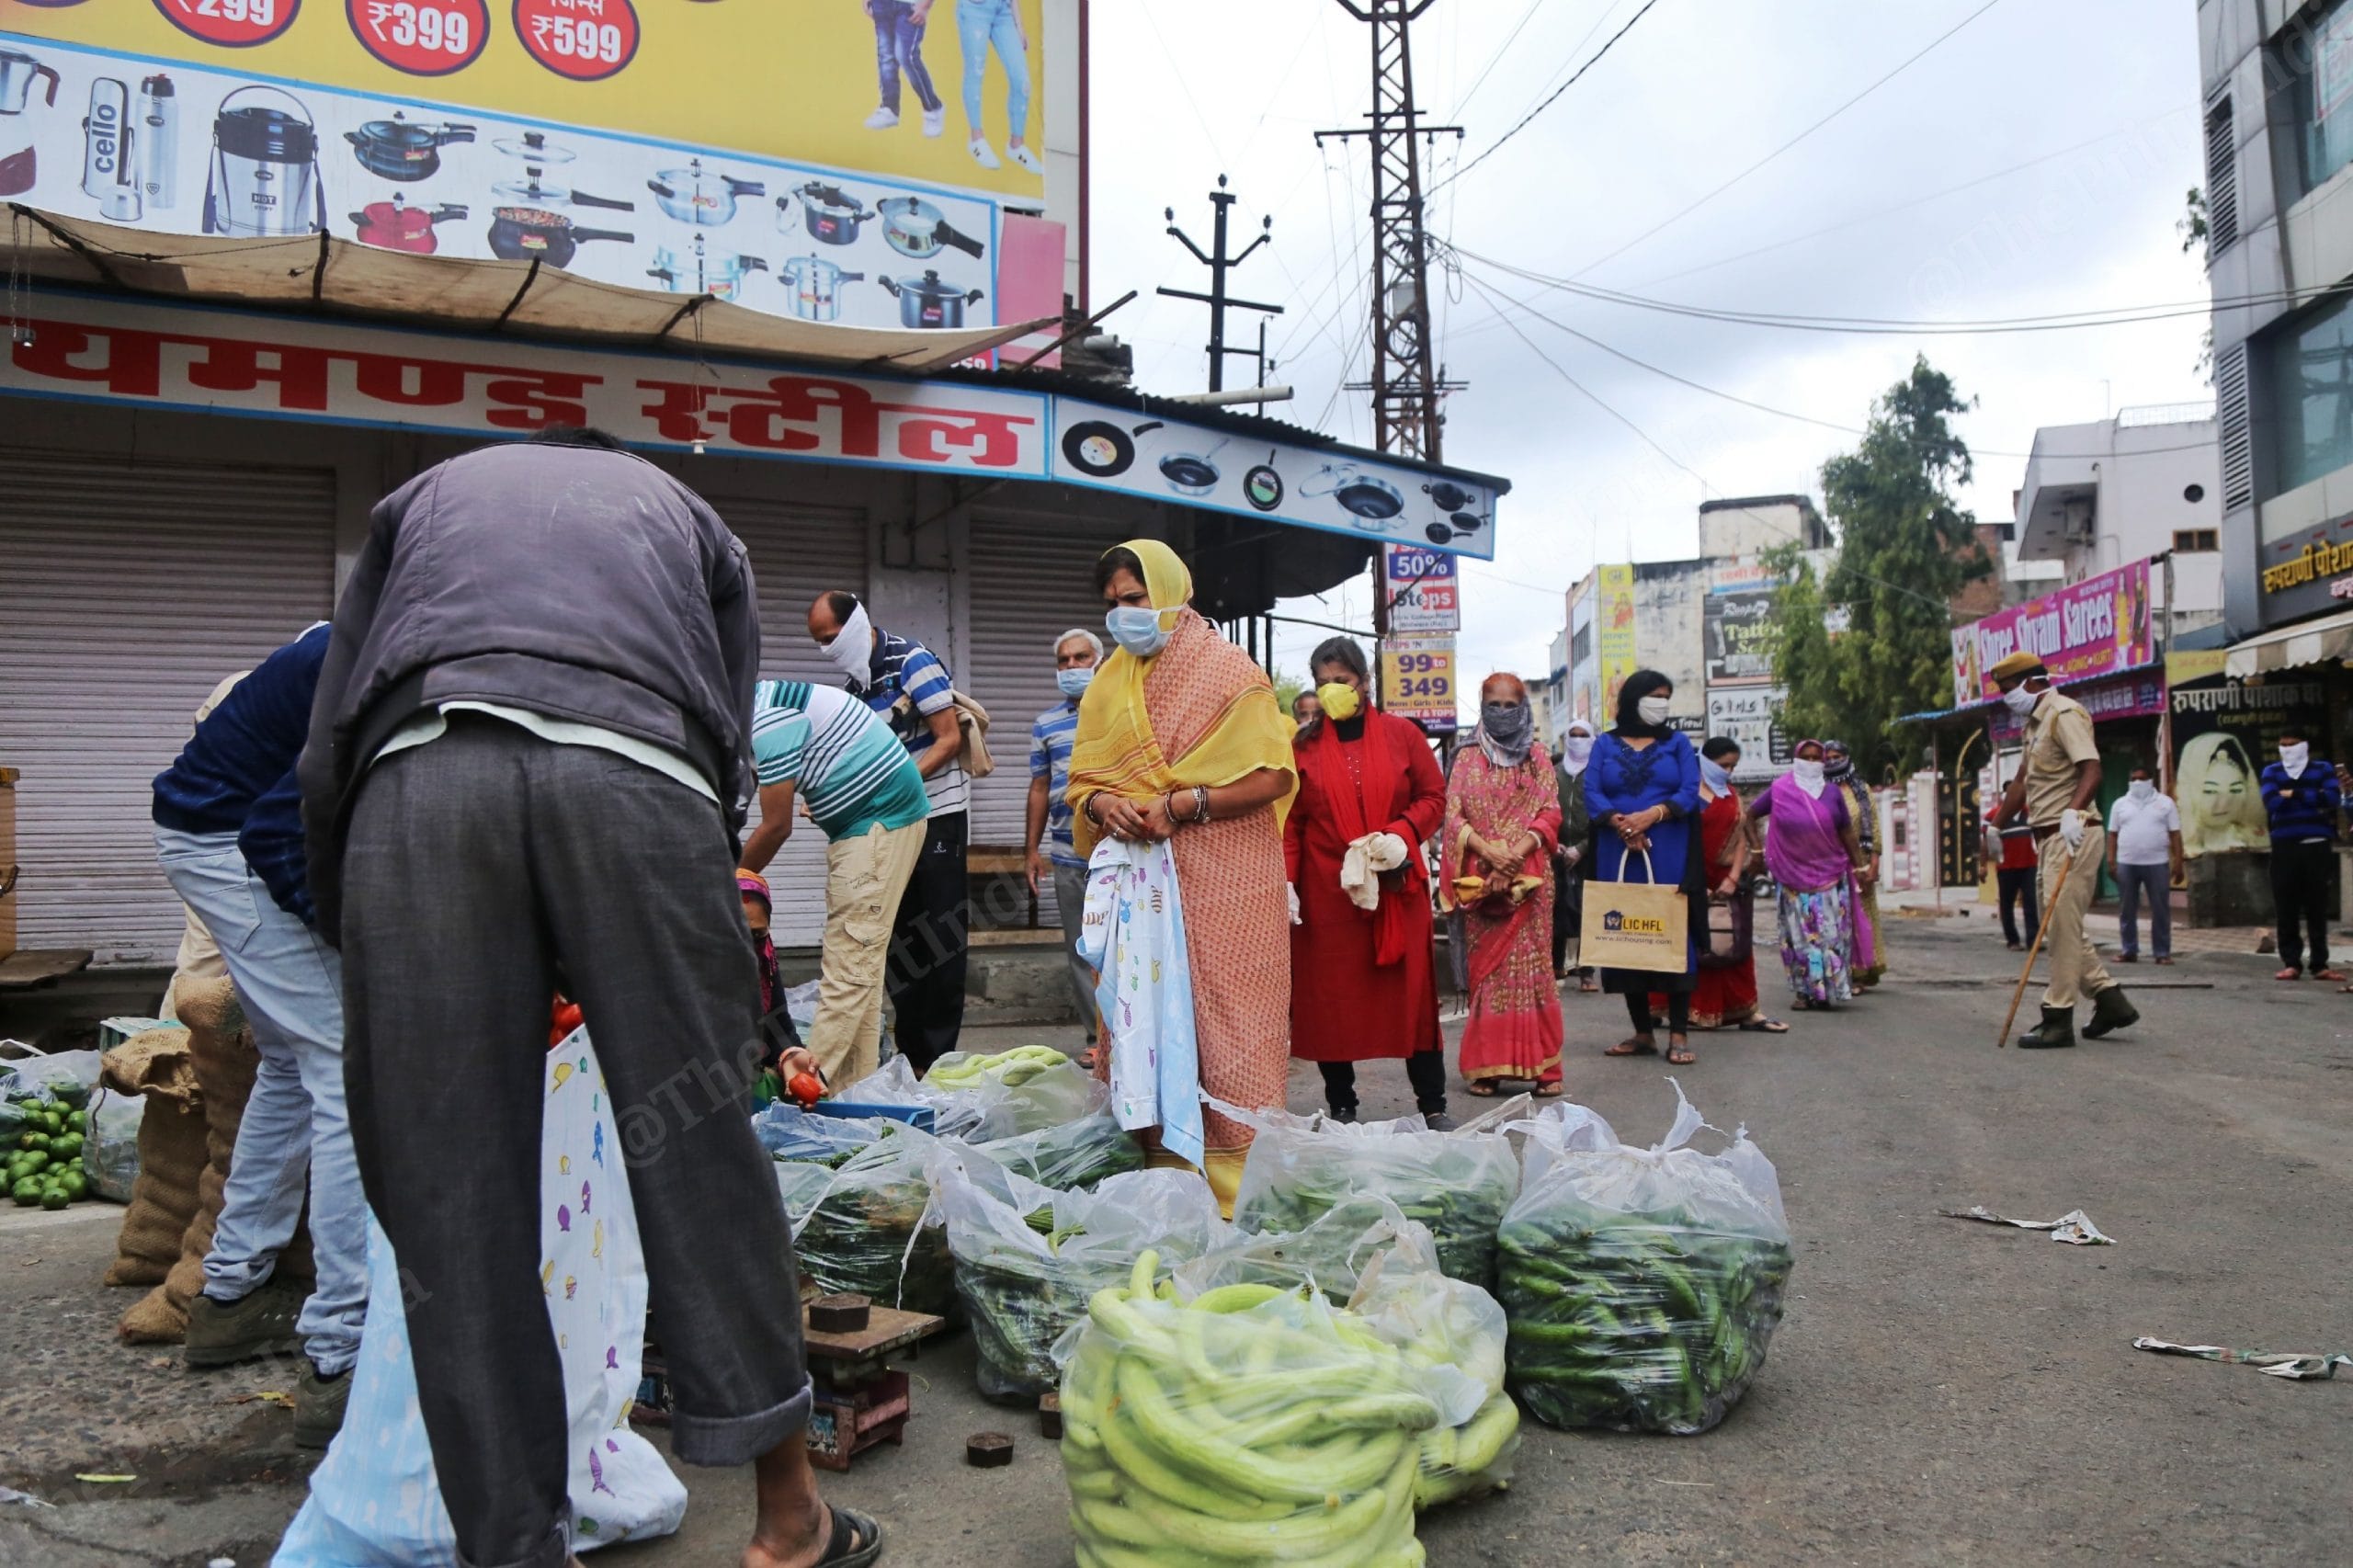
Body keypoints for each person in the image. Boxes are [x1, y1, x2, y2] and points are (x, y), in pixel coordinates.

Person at [301, 427, 877, 1568]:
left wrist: (356, 919)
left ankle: (515, 1548)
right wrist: (657, 903)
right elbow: (725, 725)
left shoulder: (419, 496)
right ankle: (787, 1516)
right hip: (637, 780)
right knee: (705, 1145)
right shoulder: (687, 514)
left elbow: (331, 733)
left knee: (450, 1201)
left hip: (420, 781)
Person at [150, 623, 361, 1449]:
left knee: (290, 1058)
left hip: (229, 825)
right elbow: (276, 832)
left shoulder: (415, 632)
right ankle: (343, 1357)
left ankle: (231, 1298)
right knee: (345, 1065)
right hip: (227, 836)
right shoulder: (388, 663)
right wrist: (357, 946)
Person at [1065, 540, 1296, 1207]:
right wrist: (1105, 804)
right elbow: (1085, 783)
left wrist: (1184, 804)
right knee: (1145, 1020)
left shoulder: (1230, 671)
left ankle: (1237, 1195)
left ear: (1169, 590)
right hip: (1142, 885)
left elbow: (1273, 775)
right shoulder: (1112, 679)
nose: (1122, 617)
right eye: (1112, 605)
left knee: (1229, 1025)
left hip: (1224, 881)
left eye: (1134, 601)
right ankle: (1164, 1187)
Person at [1285, 637, 1449, 1125]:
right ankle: (1342, 1106)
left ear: (1364, 682)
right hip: (1328, 893)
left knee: (1413, 999)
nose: (1333, 690)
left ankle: (1433, 1107)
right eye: (1323, 683)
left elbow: (1434, 797)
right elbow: (1293, 823)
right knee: (1332, 1001)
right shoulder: (1304, 746)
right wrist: (1287, 883)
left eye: (1342, 681)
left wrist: (1402, 833)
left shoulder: (1403, 735)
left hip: (1396, 887)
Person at [741, 676, 932, 1085]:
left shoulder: (765, 721)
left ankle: (812, 1084)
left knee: (850, 960)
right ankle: (853, 1093)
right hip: (867, 826)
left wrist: (731, 884)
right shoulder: (757, 702)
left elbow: (776, 826)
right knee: (861, 968)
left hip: (879, 823)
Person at [810, 589, 970, 1074]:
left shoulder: (911, 660)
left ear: (857, 622)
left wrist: (897, 785)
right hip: (891, 826)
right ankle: (908, 1052)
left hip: (938, 814)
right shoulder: (855, 688)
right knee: (897, 935)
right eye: (819, 643)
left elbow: (949, 737)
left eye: (833, 637)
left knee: (939, 934)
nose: (828, 649)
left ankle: (936, 1058)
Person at [1989, 651, 2139, 1049]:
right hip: (2048, 837)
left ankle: (2057, 1018)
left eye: (2007, 690)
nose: (2006, 698)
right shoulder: (2033, 724)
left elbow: (2092, 767)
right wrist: (1995, 825)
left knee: (2058, 927)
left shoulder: (2064, 714)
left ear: (2032, 682)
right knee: (2058, 924)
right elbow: (2021, 781)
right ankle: (2110, 1001)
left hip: (2073, 834)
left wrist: (2074, 811)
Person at [1441, 674, 1563, 1093]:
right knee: (1489, 976)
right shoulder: (1467, 757)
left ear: (1523, 706)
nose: (1502, 712)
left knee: (1533, 973)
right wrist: (1491, 855)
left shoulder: (1539, 756)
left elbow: (1550, 812)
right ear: (1481, 705)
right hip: (1481, 881)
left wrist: (1515, 856)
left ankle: (1545, 1069)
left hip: (1529, 885)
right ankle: (1488, 1068)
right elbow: (1453, 817)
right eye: (1493, 704)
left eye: (1510, 704)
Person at [1586, 670, 1702, 1066]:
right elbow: (1592, 791)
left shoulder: (1679, 743)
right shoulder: (1605, 743)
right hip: (1616, 848)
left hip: (1668, 846)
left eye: (1667, 697)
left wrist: (1652, 815)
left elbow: (1689, 790)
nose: (1662, 703)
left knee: (1671, 934)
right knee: (1627, 938)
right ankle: (1642, 1033)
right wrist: (1623, 824)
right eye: (1655, 695)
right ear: (1635, 698)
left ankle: (1679, 1034)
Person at [1655, 737, 1786, 1033]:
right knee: (1689, 946)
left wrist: (1732, 877)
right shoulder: (1686, 793)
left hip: (1725, 881)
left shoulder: (1732, 795)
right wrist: (1693, 882)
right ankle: (1680, 1010)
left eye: (1733, 766)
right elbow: (1677, 840)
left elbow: (1740, 838)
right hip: (1690, 879)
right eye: (1723, 765)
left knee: (1733, 943)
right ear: (1705, 760)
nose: (1728, 771)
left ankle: (1747, 1010)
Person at [1752, 739, 1871, 1010]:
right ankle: (1805, 993)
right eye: (1805, 756)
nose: (1811, 761)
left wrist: (1861, 866)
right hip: (1791, 877)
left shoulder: (1831, 793)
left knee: (1831, 936)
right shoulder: (1780, 789)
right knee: (1799, 937)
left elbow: (1846, 832)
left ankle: (1830, 990)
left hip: (1830, 876)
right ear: (1796, 759)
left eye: (1817, 757)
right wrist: (1758, 851)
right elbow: (1750, 815)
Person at [1026, 629, 1103, 1041]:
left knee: (1124, 947)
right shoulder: (1046, 724)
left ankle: (1127, 1037)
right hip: (1067, 854)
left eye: (1080, 657)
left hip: (1120, 852)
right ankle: (1096, 1038)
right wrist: (1031, 851)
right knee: (1080, 947)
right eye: (1064, 661)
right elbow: (1039, 787)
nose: (1072, 666)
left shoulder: (1120, 711)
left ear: (1099, 660)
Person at [2259, 729, 2344, 982]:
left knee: (2317, 906)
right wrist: (2310, 797)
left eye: (2292, 744)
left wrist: (2294, 794)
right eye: (2283, 745)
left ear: (2304, 746)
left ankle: (2320, 964)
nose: (2287, 749)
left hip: (2317, 845)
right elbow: (2272, 802)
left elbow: (2331, 798)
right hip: (2285, 846)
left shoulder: (2322, 769)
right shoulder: (2271, 771)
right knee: (2286, 905)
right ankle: (2291, 962)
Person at [919, 0, 1039, 173]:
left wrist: (1019, 24)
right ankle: (976, 139)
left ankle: (1016, 145)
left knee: (1022, 81)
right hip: (974, 9)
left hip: (1004, 11)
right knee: (975, 72)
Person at [2106, 766, 2184, 966]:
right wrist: (2111, 860)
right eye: (2134, 779)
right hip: (2127, 862)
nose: (2137, 783)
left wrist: (2179, 862)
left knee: (2160, 909)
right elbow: (2112, 834)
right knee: (2126, 909)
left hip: (2157, 863)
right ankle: (2129, 950)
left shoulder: (2165, 804)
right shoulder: (2120, 804)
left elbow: (2175, 834)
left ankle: (2162, 952)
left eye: (2142, 779)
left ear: (2151, 781)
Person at [1822, 739, 1883, 989]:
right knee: (1839, 917)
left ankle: (1864, 969)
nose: (1833, 761)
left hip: (1862, 860)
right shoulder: (1821, 790)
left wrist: (1874, 862)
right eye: (1829, 758)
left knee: (1864, 917)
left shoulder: (1861, 789)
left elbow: (1874, 825)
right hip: (1832, 863)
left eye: (1838, 756)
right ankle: (1843, 971)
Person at [735, 869, 808, 1072]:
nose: (749, 949)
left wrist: (790, 1056)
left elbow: (780, 1030)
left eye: (757, 934)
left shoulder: (765, 965)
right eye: (737, 934)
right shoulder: (688, 975)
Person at [1552, 719, 1599, 993]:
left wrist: (1581, 848)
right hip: (1556, 851)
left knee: (1588, 910)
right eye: (1574, 735)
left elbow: (1603, 816)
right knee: (1556, 907)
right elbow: (1542, 808)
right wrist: (1554, 843)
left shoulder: (1597, 773)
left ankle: (1587, 971)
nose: (1579, 739)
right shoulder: (1554, 773)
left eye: (1584, 735)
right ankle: (1556, 965)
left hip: (1588, 852)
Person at [2176, 732, 2269, 857]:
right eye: (2209, 791)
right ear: (2190, 790)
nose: (2223, 803)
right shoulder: (2178, 842)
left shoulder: (2255, 838)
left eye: (2236, 791)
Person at [862, 0, 944, 136]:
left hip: (910, 5)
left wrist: (926, 4)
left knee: (906, 56)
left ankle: (933, 108)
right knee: (886, 56)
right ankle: (889, 108)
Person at [1985, 797, 2040, 951]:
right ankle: (2012, 939)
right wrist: (1985, 864)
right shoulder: (1995, 815)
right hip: (2006, 867)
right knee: (2006, 904)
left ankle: (2033, 940)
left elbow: (2038, 835)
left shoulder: (2029, 813)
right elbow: (1986, 839)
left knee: (2031, 902)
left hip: (2029, 865)